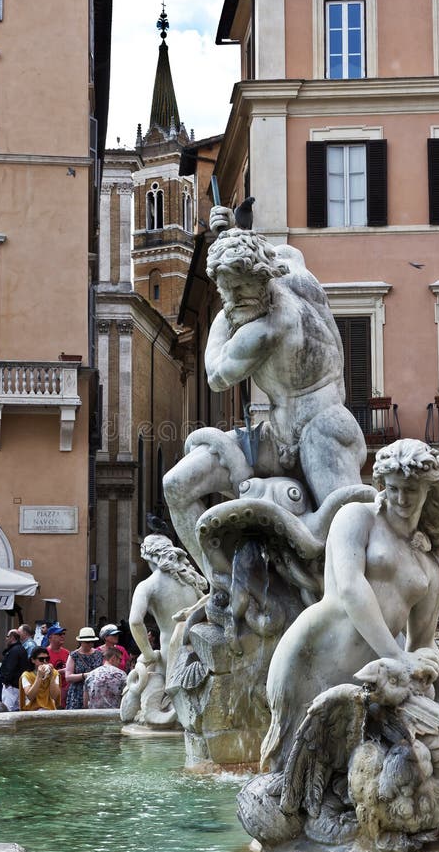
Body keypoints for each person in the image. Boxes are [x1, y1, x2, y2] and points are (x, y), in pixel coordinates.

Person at [163, 208, 372, 570]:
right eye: (225, 289)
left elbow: (215, 375)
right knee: (177, 485)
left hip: (323, 430)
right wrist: (235, 233)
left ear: (263, 279)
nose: (233, 298)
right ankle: (222, 586)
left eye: (240, 288)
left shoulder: (267, 330)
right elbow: (277, 251)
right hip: (274, 437)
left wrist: (223, 315)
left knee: (346, 548)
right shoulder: (293, 269)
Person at [261, 438, 439, 772]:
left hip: (369, 676)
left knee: (349, 775)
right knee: (287, 768)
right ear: (382, 484)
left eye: (411, 490)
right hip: (311, 656)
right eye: (394, 487)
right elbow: (351, 589)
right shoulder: (357, 517)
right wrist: (396, 658)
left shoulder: (428, 564)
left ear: (428, 491)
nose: (401, 498)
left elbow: (423, 643)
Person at [129, 534, 207, 672]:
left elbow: (135, 621)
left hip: (171, 652)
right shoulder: (189, 580)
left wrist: (148, 654)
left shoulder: (147, 585)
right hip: (200, 648)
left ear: (149, 558)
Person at [64, 627, 103, 709]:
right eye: (87, 642)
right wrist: (86, 675)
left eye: (92, 642)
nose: (90, 644)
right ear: (80, 642)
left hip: (95, 691)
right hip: (78, 692)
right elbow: (68, 677)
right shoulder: (74, 655)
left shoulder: (99, 654)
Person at [19, 646, 60, 711]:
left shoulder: (54, 673)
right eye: (41, 659)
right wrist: (39, 677)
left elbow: (54, 696)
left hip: (50, 710)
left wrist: (52, 677)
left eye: (47, 659)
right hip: (32, 711)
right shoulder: (27, 675)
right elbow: (30, 696)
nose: (44, 661)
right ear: (33, 660)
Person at [0, 629, 29, 711]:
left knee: (7, 710)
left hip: (11, 686)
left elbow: (10, 668)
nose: (6, 639)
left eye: (7, 636)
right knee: (18, 710)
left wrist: (5, 682)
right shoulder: (21, 649)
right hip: (18, 685)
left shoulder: (14, 651)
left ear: (12, 637)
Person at [46, 624, 70, 707]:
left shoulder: (67, 653)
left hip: (66, 692)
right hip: (50, 692)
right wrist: (63, 671)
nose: (62, 636)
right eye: (59, 634)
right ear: (50, 637)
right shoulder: (44, 654)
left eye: (63, 634)